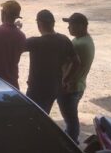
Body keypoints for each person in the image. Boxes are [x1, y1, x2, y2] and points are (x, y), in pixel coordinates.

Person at [25, 10, 80, 114]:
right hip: (54, 88)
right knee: (44, 114)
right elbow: (76, 62)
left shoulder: (34, 42)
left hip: (36, 88)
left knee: (32, 118)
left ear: (39, 24)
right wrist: (65, 79)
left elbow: (14, 47)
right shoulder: (64, 40)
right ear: (53, 23)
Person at [59, 13, 95, 144]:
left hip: (71, 88)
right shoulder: (85, 40)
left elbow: (74, 64)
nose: (69, 27)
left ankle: (72, 142)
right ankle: (71, 139)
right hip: (78, 85)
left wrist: (64, 80)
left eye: (71, 25)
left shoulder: (80, 44)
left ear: (81, 26)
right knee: (71, 117)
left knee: (71, 120)